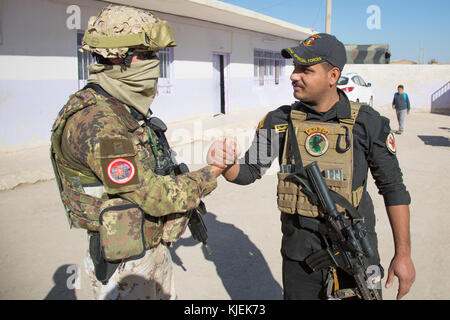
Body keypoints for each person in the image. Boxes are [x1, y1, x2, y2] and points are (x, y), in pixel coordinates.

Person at [50, 5, 235, 300]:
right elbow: (152, 195)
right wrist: (211, 171)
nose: (155, 65)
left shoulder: (121, 108)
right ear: (116, 57)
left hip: (149, 251)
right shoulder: (98, 122)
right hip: (125, 266)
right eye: (147, 56)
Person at [211, 33, 415, 300]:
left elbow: (393, 189)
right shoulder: (279, 120)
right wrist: (227, 164)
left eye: (306, 69)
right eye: (295, 68)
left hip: (355, 251)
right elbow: (248, 171)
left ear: (333, 76)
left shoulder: (368, 123)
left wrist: (403, 254)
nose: (294, 75)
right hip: (300, 256)